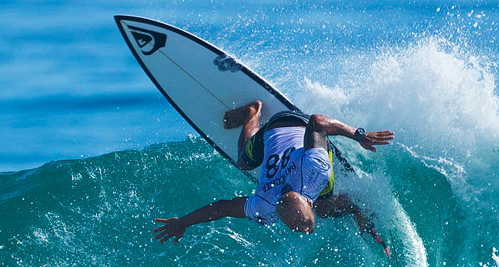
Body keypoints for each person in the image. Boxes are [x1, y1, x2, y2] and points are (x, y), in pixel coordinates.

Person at [151, 99, 394, 254]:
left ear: (307, 200)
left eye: (301, 227)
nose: (302, 230)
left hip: (300, 126)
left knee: (326, 205)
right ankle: (252, 115)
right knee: (243, 163)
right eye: (299, 226)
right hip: (273, 129)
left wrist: (359, 135)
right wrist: (182, 222)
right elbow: (223, 207)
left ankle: (355, 207)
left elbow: (317, 122)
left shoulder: (314, 171)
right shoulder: (265, 205)